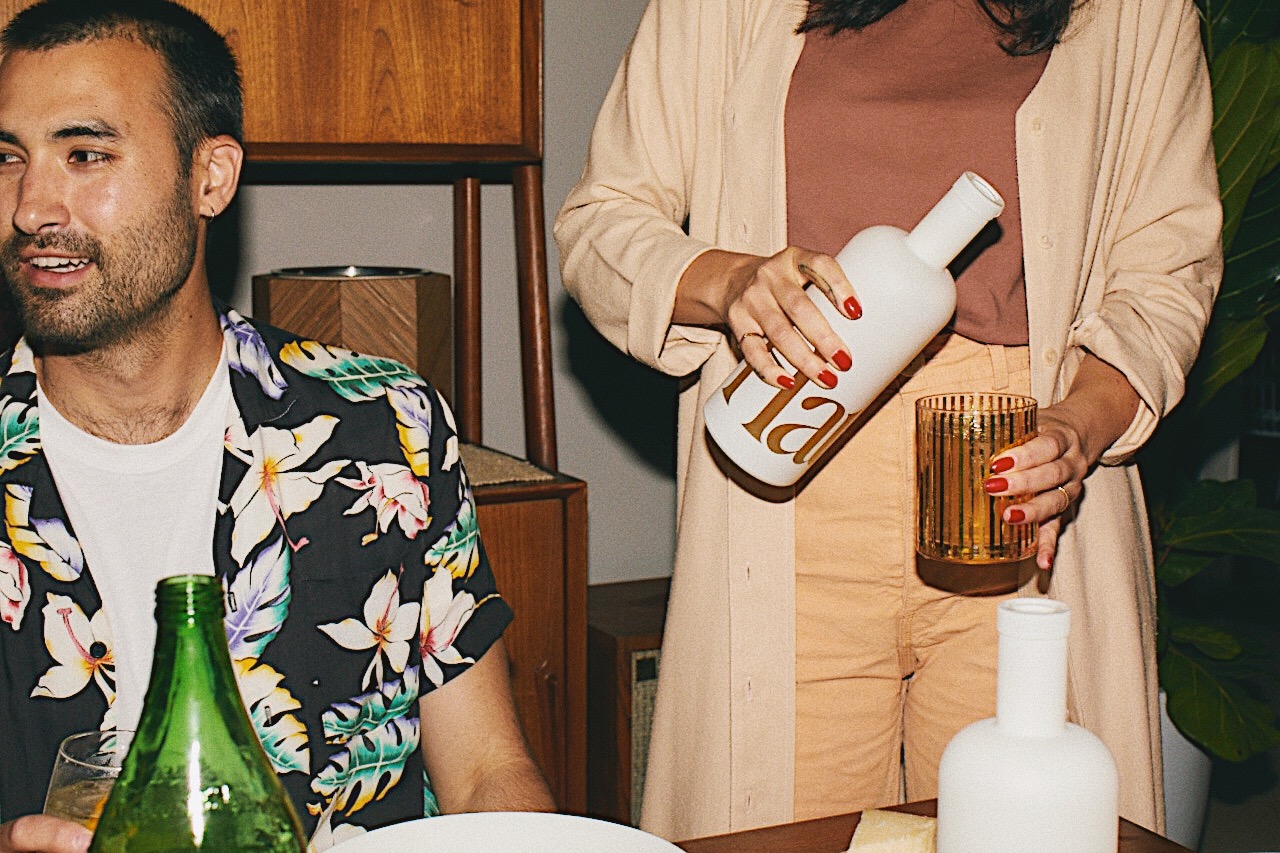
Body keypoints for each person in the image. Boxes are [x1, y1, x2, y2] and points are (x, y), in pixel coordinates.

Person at [556, 0, 1221, 841]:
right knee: (783, 829)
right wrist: (727, 280)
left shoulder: (1139, 14)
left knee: (1020, 826)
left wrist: (1079, 427)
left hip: (1016, 480)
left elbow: (1169, 266)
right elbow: (601, 220)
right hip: (791, 470)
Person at [0, 1, 554, 850]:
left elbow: (485, 770)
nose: (33, 206)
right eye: (8, 158)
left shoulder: (383, 427)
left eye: (85, 155)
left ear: (209, 177)